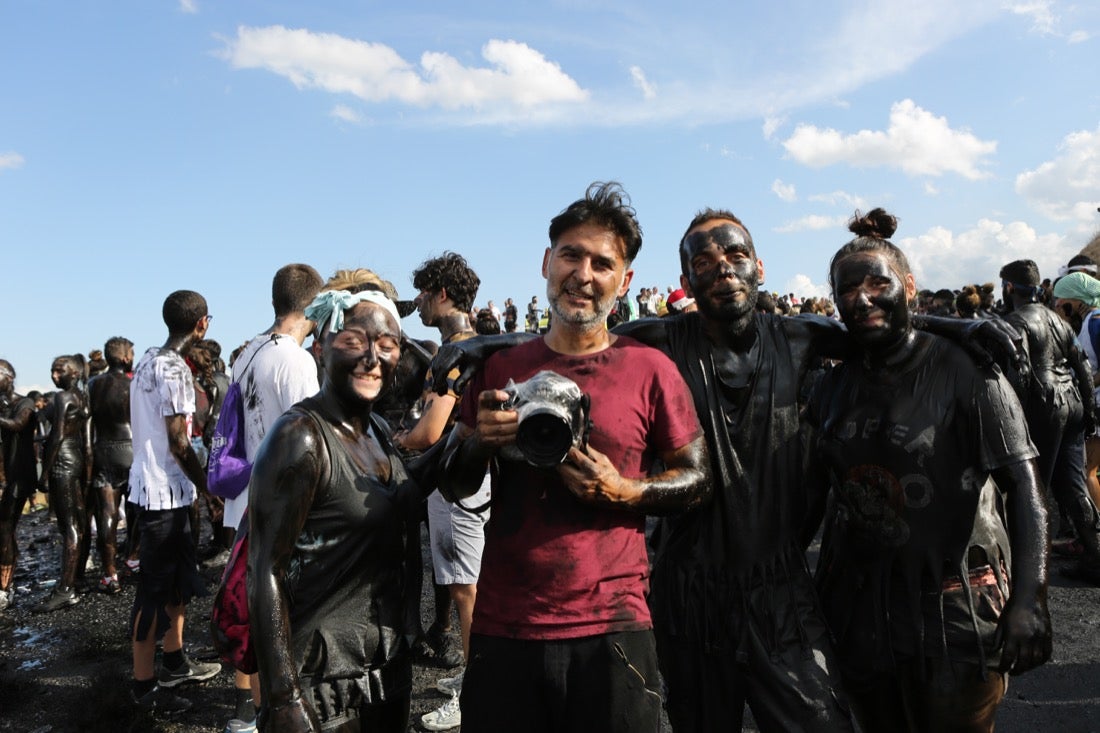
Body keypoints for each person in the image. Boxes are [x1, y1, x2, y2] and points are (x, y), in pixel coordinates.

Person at [440, 181, 711, 733]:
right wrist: (478, 441)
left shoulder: (650, 369)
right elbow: (456, 485)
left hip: (614, 627)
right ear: (547, 262)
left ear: (625, 281)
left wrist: (625, 491)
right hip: (505, 623)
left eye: (602, 263)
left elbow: (699, 478)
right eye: (571, 255)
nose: (583, 275)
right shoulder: (500, 370)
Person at [806, 209, 1051, 732]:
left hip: (954, 605)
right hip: (859, 609)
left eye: (878, 283)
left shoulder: (968, 370)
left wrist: (1031, 597)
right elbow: (811, 492)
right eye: (848, 290)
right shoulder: (832, 385)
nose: (863, 298)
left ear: (909, 287)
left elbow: (1024, 485)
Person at [249, 288, 432, 732]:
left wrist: (470, 438)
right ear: (321, 347)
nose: (372, 358)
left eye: (386, 345)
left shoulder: (378, 429)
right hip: (321, 681)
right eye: (353, 341)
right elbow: (265, 570)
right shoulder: (300, 437)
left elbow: (406, 495)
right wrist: (283, 698)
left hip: (384, 668)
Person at [222, 263, 323, 733]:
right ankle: (274, 714)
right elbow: (313, 438)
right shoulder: (295, 361)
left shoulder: (248, 351)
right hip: (281, 506)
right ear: (314, 305)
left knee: (254, 611)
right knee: (282, 619)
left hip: (244, 499)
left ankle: (250, 709)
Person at [395, 252, 488, 732]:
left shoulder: (456, 352)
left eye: (424, 292)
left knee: (464, 589)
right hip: (469, 478)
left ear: (443, 294)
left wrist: (398, 439)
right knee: (468, 583)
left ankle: (475, 693)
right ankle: (478, 674)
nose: (418, 302)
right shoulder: (473, 344)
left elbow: (430, 431)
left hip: (455, 481)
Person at [128, 289, 221, 714]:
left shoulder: (147, 360)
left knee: (179, 581)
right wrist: (210, 488)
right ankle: (144, 688)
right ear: (202, 324)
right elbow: (179, 443)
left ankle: (174, 661)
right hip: (161, 493)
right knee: (153, 590)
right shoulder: (174, 370)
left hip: (161, 489)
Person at [1002, 261, 1100, 586]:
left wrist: (1012, 417)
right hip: (1072, 401)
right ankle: (1095, 555)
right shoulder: (1059, 320)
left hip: (1043, 405)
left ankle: (1030, 570)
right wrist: (1088, 411)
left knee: (1032, 487)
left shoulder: (1016, 321)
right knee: (1073, 486)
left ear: (1009, 288)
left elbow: (1019, 373)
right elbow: (1081, 367)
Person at [36, 354, 91, 612]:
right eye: (52, 370)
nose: (54, 375)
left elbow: (57, 436)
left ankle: (65, 590)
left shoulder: (62, 397)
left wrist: (44, 474)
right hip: (76, 458)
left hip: (62, 461)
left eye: (60, 371)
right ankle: (74, 580)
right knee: (77, 523)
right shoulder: (82, 396)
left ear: (74, 373)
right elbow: (86, 440)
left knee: (68, 526)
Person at [1051, 272, 1100, 546]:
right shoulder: (1087, 323)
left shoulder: (1095, 323)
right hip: (1092, 404)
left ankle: (1094, 537)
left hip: (1097, 405)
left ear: (1077, 300)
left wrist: (1084, 381)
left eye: (1062, 301)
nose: (1059, 306)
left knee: (1087, 471)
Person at [87, 336, 135, 595]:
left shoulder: (93, 384)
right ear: (125, 357)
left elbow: (87, 423)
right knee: (138, 508)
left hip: (104, 450)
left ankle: (109, 573)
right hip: (131, 449)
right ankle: (134, 558)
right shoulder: (133, 383)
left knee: (107, 513)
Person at [0, 360, 39, 613]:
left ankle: (5, 587)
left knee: (5, 526)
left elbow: (17, 424)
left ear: (9, 377)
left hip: (19, 475)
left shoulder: (25, 403)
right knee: (5, 528)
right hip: (6, 475)